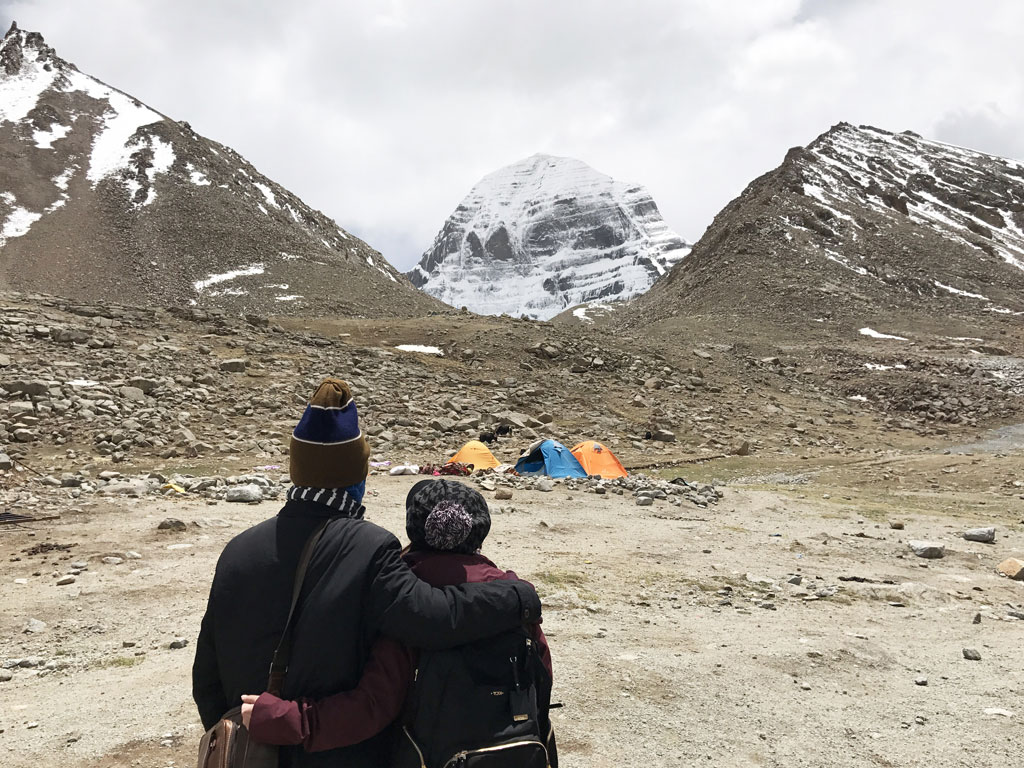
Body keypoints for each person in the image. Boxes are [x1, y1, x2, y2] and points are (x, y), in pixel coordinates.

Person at [192, 380, 541, 768]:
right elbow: (433, 618)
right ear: (357, 477)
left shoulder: (238, 549)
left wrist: (245, 733)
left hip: (250, 750)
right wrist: (519, 597)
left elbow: (206, 672)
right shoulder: (370, 548)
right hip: (336, 751)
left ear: (296, 469)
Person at [240, 479, 553, 760]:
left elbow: (372, 707)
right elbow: (541, 686)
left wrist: (281, 718)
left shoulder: (406, 602)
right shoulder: (515, 598)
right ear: (479, 532)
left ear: (413, 529)